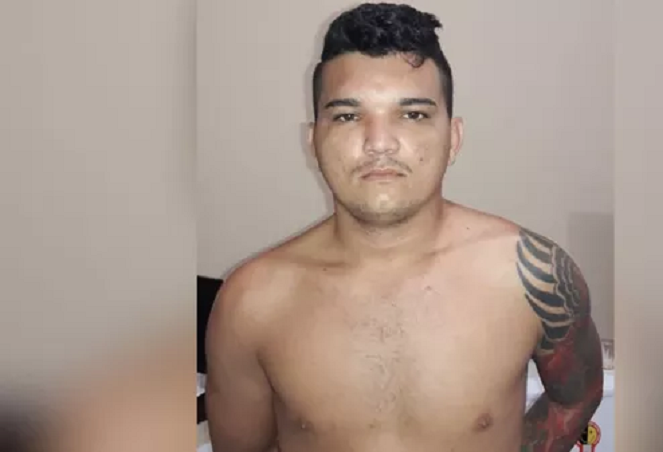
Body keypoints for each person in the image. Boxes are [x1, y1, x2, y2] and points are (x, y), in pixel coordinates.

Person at [204, 3, 604, 452]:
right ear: (313, 141)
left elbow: (577, 397)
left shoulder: (533, 276)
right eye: (347, 115)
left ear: (453, 138)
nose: (379, 143)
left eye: (413, 114)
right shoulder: (250, 303)